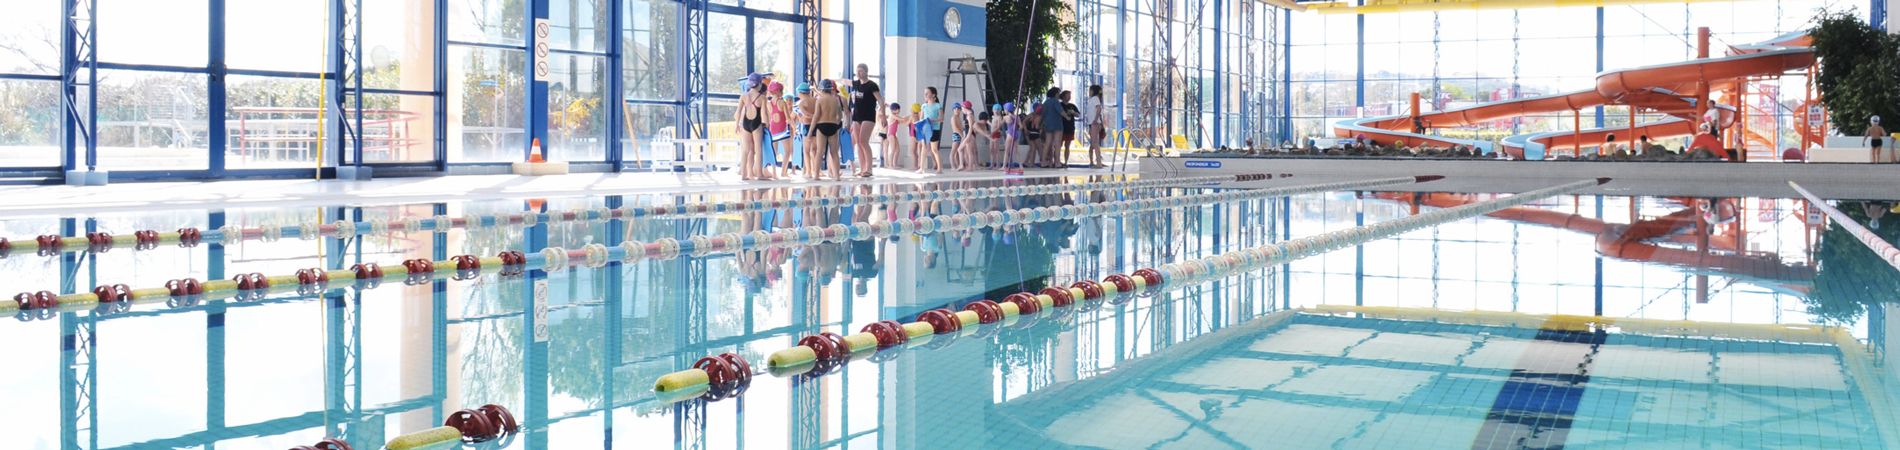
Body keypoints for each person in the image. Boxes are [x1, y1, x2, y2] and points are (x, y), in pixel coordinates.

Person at [733, 74, 771, 181]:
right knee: (758, 150)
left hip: (745, 124)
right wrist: (766, 125)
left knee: (745, 150)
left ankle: (744, 174)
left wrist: (737, 125)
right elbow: (764, 114)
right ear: (759, 84)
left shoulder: (744, 96)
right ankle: (759, 174)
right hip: (756, 124)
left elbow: (738, 112)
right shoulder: (762, 98)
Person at [849, 64, 883, 170]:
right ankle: (863, 168)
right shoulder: (856, 84)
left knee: (863, 141)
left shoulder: (872, 85)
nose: (859, 73)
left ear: (866, 71)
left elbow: (880, 101)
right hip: (856, 117)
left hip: (868, 116)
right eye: (857, 71)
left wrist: (883, 116)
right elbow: (845, 81)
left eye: (861, 71)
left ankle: (869, 169)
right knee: (858, 143)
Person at [810, 79, 845, 180]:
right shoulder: (836, 100)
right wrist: (836, 123)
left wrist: (810, 131)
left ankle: (816, 175)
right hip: (833, 126)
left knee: (820, 152)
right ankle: (837, 176)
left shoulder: (819, 100)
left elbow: (816, 116)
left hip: (822, 126)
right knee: (834, 153)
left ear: (821, 89)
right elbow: (840, 116)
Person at [766, 82, 792, 179]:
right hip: (782, 130)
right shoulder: (782, 102)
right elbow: (788, 118)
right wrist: (794, 128)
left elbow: (768, 118)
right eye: (781, 90)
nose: (782, 92)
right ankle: (783, 172)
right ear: (778, 91)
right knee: (788, 151)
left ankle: (774, 173)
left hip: (772, 129)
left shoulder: (768, 103)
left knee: (774, 152)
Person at [916, 87, 944, 173]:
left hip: (935, 129)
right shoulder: (923, 106)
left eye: (927, 93)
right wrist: (919, 124)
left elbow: (941, 119)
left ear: (933, 95)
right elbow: (921, 118)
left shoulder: (938, 106)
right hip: (926, 129)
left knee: (934, 149)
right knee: (924, 148)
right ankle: (921, 168)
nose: (925, 95)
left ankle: (940, 168)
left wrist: (932, 120)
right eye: (925, 93)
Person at [1082, 85, 1106, 168]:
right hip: (1092, 123)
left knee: (1095, 143)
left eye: (1090, 90)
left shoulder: (1095, 98)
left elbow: (1098, 109)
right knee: (1094, 143)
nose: (1089, 92)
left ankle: (1098, 163)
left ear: (1093, 91)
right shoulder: (1093, 99)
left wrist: (1095, 120)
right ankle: (1095, 161)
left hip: (1094, 123)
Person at [881, 103, 908, 170]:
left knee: (897, 150)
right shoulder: (892, 115)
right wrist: (909, 116)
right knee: (893, 149)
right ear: (894, 110)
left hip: (894, 135)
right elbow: (902, 119)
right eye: (898, 109)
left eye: (899, 109)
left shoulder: (895, 116)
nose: (899, 111)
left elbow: (901, 122)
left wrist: (907, 119)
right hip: (890, 135)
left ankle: (894, 164)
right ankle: (890, 165)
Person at [1060, 90, 1079, 167]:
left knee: (1067, 146)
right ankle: (1057, 160)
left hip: (1070, 128)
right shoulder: (1059, 105)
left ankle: (1065, 162)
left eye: (1070, 95)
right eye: (1068, 95)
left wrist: (1073, 113)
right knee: (1058, 145)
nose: (1069, 97)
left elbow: (1078, 114)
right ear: (1063, 96)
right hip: (1061, 127)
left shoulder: (1072, 106)